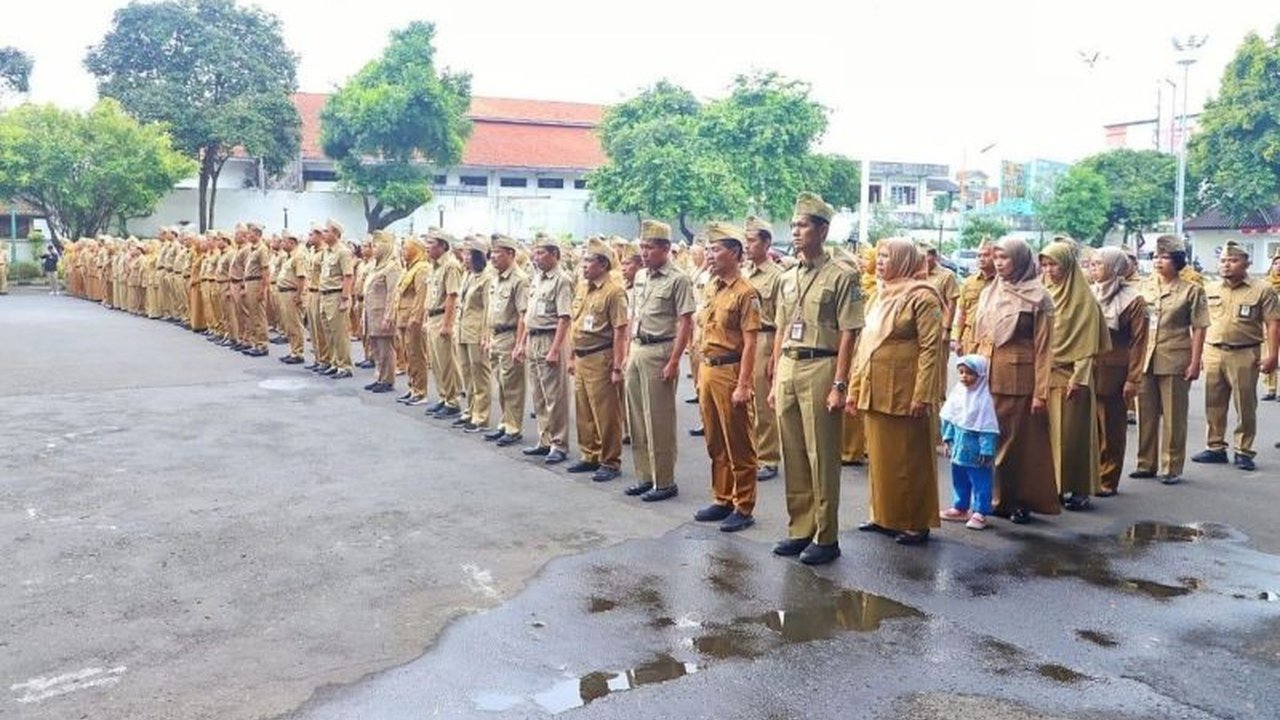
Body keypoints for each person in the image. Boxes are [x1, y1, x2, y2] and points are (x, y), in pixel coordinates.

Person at [769, 192, 863, 565]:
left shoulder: (843, 275)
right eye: (793, 225)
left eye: (803, 225)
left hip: (822, 365)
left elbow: (849, 331)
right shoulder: (787, 276)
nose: (795, 231)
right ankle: (800, 527)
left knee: (821, 454)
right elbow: (779, 328)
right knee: (793, 453)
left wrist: (840, 384)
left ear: (822, 230)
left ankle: (827, 535)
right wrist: (776, 374)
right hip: (790, 365)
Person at [847, 237, 943, 545]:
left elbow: (931, 349)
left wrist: (922, 394)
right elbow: (865, 345)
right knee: (880, 455)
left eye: (888, 256)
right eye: (881, 256)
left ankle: (915, 522)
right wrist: (854, 387)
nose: (882, 261)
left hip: (905, 388)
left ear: (904, 260)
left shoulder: (924, 296)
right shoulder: (880, 295)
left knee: (909, 458)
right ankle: (884, 515)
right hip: (876, 386)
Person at [973, 237, 1060, 524]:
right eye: (996, 256)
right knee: (986, 439)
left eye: (1005, 257)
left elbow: (1045, 347)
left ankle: (1012, 499)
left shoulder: (1038, 296)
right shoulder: (990, 291)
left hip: (1019, 378)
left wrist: (1041, 391)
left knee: (1014, 443)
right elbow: (979, 334)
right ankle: (989, 498)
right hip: (986, 373)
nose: (998, 262)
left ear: (1021, 260)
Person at [691, 222, 761, 532]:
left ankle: (743, 505)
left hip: (731, 370)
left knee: (738, 441)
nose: (710, 254)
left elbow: (750, 343)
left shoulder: (746, 293)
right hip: (708, 368)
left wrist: (744, 384)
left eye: (716, 249)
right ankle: (722, 498)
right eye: (708, 248)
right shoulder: (712, 286)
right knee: (715, 439)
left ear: (733, 252)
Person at [1190, 242, 1280, 471]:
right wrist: (1197, 355)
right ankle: (1215, 447)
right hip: (1213, 351)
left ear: (1246, 264)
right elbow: (1199, 324)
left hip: (1245, 352)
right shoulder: (1209, 289)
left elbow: (1272, 323)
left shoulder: (1262, 290)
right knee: (1213, 403)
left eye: (1233, 261)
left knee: (1245, 404)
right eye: (1223, 261)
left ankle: (1244, 450)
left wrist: (1272, 356)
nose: (1226, 265)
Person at [625, 220, 695, 502]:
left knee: (659, 420)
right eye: (642, 246)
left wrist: (675, 360)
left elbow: (685, 322)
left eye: (650, 246)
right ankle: (645, 476)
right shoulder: (640, 276)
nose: (644, 252)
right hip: (638, 348)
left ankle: (664, 480)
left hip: (661, 350)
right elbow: (635, 315)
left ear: (666, 248)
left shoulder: (678, 279)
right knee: (637, 418)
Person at [1132, 235, 1208, 485]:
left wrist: (1195, 361)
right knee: (1146, 413)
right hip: (1146, 357)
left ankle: (1171, 466)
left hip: (1175, 356)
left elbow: (1199, 327)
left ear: (1177, 261)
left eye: (1164, 257)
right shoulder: (1145, 287)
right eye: (1156, 256)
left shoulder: (1191, 290)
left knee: (1174, 415)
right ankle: (1146, 463)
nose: (1158, 261)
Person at [1039, 241, 1108, 511]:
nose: (1049, 270)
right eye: (1044, 264)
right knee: (1049, 435)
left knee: (1074, 437)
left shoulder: (1084, 300)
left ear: (1067, 265)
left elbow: (1088, 344)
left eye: (1054, 264)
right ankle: (1053, 486)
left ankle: (1079, 488)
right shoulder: (1043, 294)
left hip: (1073, 376)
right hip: (1048, 373)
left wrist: (1079, 377)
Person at [565, 237, 629, 482]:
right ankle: (589, 454)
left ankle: (610, 460)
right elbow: (576, 323)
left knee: (606, 413)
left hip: (601, 356)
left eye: (589, 261)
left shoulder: (614, 291)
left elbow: (620, 331)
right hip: (582, 357)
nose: (583, 265)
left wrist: (617, 366)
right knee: (584, 410)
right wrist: (571, 356)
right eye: (583, 260)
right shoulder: (583, 287)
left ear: (602, 264)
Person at [1089, 246, 1148, 496]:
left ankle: (1108, 479)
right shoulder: (1090, 294)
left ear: (1114, 267)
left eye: (1099, 264)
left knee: (1112, 427)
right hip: (1089, 368)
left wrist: (1133, 379)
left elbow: (1139, 342)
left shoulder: (1133, 299)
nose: (1093, 269)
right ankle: (1090, 475)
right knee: (1090, 427)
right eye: (1091, 264)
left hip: (1115, 371)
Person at [516, 233, 573, 465]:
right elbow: (529, 315)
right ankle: (545, 439)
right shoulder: (537, 278)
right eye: (535, 252)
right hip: (534, 338)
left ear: (554, 255)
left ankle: (559, 444)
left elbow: (564, 317)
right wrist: (521, 343)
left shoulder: (562, 280)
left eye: (541, 253)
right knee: (538, 394)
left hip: (551, 339)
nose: (535, 257)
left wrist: (555, 349)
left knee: (555, 396)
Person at [938, 355, 1000, 530]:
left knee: (980, 480)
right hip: (958, 448)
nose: (964, 376)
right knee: (959, 479)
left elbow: (988, 427)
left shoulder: (983, 401)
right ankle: (960, 507)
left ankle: (980, 511)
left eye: (970, 373)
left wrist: (987, 451)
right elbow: (951, 418)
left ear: (980, 375)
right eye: (961, 372)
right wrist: (947, 438)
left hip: (976, 453)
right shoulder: (958, 394)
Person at [743, 216, 782, 481]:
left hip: (765, 339)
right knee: (745, 401)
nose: (747, 245)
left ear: (766, 242)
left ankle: (768, 457)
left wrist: (774, 358)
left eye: (752, 240)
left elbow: (783, 319)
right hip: (743, 340)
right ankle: (751, 451)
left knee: (762, 402)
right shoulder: (744, 273)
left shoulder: (777, 276)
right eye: (746, 240)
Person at [483, 233, 530, 446]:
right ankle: (504, 422)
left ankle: (513, 427)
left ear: (510, 254)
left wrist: (520, 344)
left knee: (512, 385)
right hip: (496, 336)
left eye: (497, 253)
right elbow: (490, 310)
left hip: (510, 335)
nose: (492, 257)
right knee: (501, 384)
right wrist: (487, 336)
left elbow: (523, 314)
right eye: (492, 253)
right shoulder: (495, 277)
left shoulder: (519, 279)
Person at [423, 230, 464, 418]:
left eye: (431, 242)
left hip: (443, 317)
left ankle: (452, 400)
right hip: (432, 317)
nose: (427, 246)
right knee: (436, 362)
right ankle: (443, 396)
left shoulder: (451, 266)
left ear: (442, 246)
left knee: (447, 362)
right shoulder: (434, 266)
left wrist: (447, 324)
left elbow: (452, 296)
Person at [454, 236, 493, 432]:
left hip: (477, 331)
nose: (466, 257)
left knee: (480, 374)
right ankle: (469, 410)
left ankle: (481, 416)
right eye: (464, 253)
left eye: (470, 254)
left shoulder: (487, 277)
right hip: (462, 329)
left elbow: (488, 309)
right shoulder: (468, 275)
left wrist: (486, 335)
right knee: (466, 373)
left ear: (479, 256)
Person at [361, 230, 403, 394]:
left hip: (383, 313)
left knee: (386, 347)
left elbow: (393, 293)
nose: (373, 249)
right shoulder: (375, 266)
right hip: (372, 312)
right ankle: (379, 376)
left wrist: (389, 316)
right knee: (376, 347)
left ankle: (387, 379)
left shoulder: (392, 267)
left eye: (376, 246)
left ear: (385, 247)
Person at [392, 235, 431, 405]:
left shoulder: (422, 268)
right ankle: (412, 386)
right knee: (408, 354)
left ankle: (420, 391)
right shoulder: (409, 268)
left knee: (417, 355)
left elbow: (420, 297)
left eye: (407, 248)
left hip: (412, 319)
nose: (403, 252)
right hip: (403, 317)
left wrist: (415, 320)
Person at [318, 219, 356, 379]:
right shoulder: (327, 252)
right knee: (328, 332)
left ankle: (344, 366)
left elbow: (348, 276)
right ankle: (334, 362)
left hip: (336, 294)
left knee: (339, 333)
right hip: (325, 294)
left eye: (326, 231)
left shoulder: (343, 252)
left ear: (335, 234)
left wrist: (345, 298)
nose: (323, 234)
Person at [955, 238, 996, 355]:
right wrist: (957, 339)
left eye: (986, 255)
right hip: (970, 336)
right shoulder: (969, 282)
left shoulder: (1003, 282)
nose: (982, 259)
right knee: (968, 372)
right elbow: (962, 313)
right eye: (979, 256)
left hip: (991, 337)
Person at [1264, 250, 1280, 401]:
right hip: (1269, 327)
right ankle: (1271, 389)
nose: (1278, 266)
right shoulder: (1267, 285)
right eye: (1275, 263)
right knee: (1270, 356)